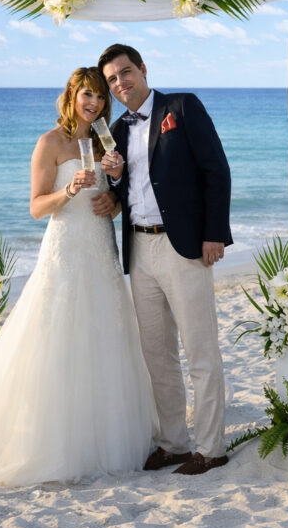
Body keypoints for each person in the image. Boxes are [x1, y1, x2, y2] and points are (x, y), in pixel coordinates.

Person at [0, 67, 154, 485]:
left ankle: (107, 436)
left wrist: (114, 196)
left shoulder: (106, 139)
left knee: (106, 333)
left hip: (101, 248)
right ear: (72, 94)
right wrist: (69, 190)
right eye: (87, 94)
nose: (94, 103)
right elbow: (35, 207)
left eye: (100, 97)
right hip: (65, 248)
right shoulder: (50, 143)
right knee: (58, 333)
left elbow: (121, 194)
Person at [95, 43, 231, 476]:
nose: (120, 83)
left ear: (143, 69)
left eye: (125, 72)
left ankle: (211, 448)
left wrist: (214, 234)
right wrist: (114, 183)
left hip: (184, 246)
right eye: (112, 79)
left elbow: (216, 170)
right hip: (140, 249)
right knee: (156, 353)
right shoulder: (117, 129)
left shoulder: (182, 107)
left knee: (200, 350)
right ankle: (173, 443)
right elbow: (129, 190)